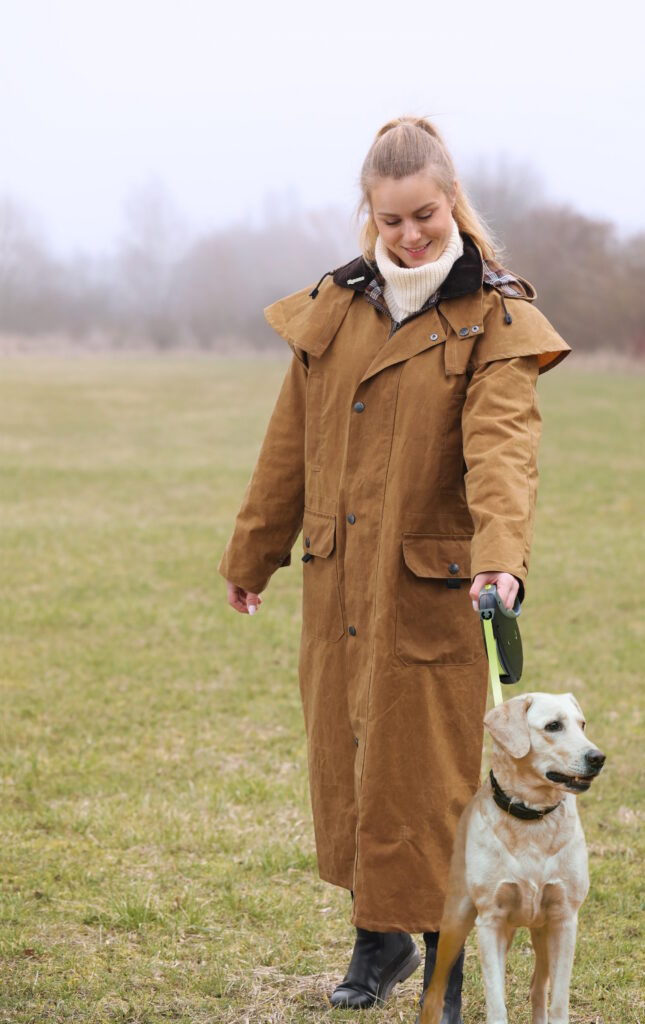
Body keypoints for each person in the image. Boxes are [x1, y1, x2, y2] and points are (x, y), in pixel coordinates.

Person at [219, 116, 569, 1022]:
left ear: (452, 202)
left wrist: (501, 561)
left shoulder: (494, 318)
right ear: (368, 216)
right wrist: (253, 552)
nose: (409, 234)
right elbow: (288, 444)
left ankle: (443, 961)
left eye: (424, 215)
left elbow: (502, 451)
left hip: (431, 588)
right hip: (337, 579)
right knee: (349, 762)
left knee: (429, 775)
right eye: (391, 220)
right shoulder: (335, 308)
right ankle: (377, 941)